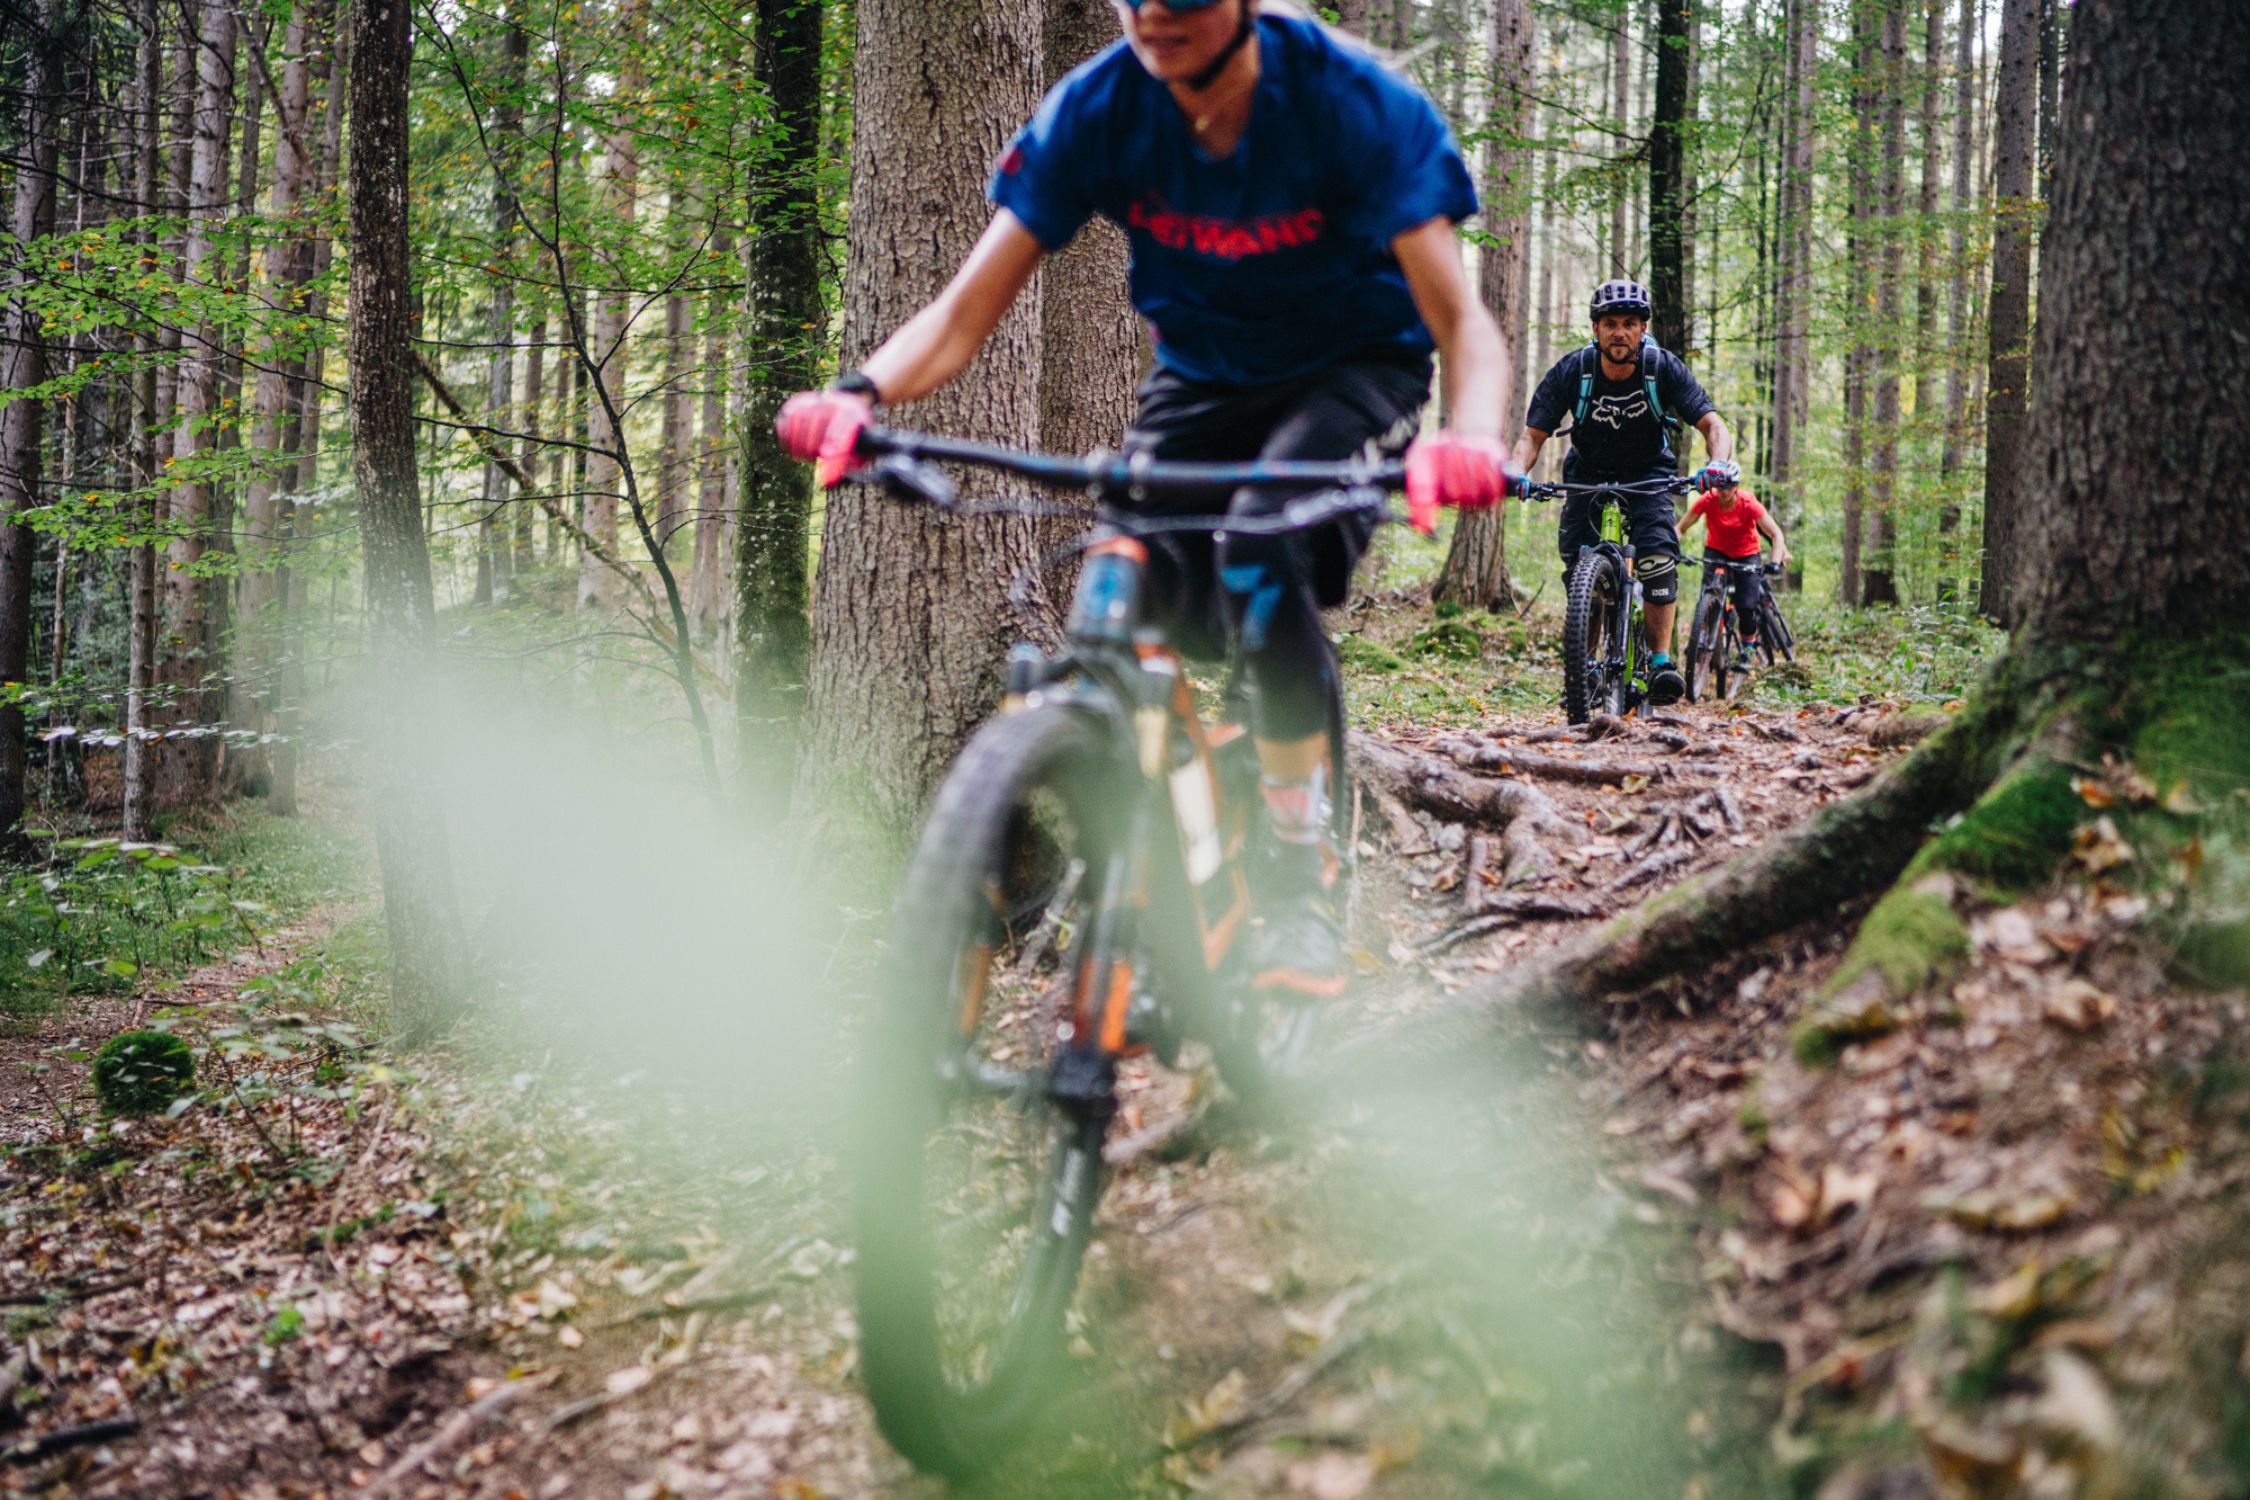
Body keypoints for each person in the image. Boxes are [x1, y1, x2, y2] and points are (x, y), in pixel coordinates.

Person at [774, 0, 1516, 998]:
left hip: (1356, 371)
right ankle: (1140, 861)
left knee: (1256, 544)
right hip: (1202, 381)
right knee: (1112, 582)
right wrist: (855, 395)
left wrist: (1466, 441)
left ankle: (1300, 879)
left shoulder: (1349, 103)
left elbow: (1464, 326)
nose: (1158, 14)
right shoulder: (1099, 108)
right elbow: (960, 315)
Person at [1510, 279, 1737, 706]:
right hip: (1588, 475)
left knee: (1655, 560)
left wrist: (1718, 463)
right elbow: (1532, 436)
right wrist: (1515, 472)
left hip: (1649, 475)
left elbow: (1713, 425)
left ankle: (1661, 663)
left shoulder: (1661, 367)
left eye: (1629, 323)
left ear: (1643, 328)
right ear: (1595, 329)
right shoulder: (1572, 371)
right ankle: (1585, 669)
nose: (1619, 332)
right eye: (1610, 323)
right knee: (1581, 572)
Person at [1680, 476, 1791, 662]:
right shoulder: (1708, 500)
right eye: (1720, 487)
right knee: (1707, 594)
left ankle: (1747, 647)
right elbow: (1680, 527)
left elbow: (1776, 533)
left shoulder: (1749, 503)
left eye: (1729, 487)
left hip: (1746, 553)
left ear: (1736, 487)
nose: (1724, 491)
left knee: (1746, 606)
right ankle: (1702, 635)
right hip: (1716, 551)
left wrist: (1774, 561)